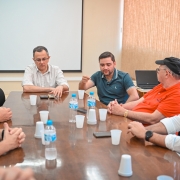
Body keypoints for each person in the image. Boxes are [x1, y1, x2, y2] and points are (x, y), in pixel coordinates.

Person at [108, 57, 180, 124]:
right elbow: (138, 102)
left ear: (167, 73)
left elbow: (153, 119)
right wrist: (117, 107)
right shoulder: (161, 86)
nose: (157, 72)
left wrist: (123, 112)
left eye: (158, 70)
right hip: (132, 122)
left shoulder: (176, 95)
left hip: (148, 132)